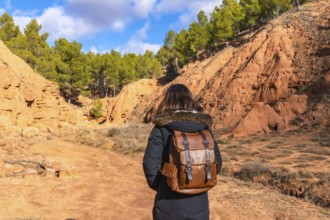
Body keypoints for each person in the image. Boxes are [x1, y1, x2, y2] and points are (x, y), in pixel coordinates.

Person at [142, 84, 222, 220]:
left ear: (167, 101)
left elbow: (150, 165)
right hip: (199, 206)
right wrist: (198, 179)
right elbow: (217, 163)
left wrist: (163, 185)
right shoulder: (204, 129)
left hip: (167, 206)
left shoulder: (161, 128)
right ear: (190, 101)